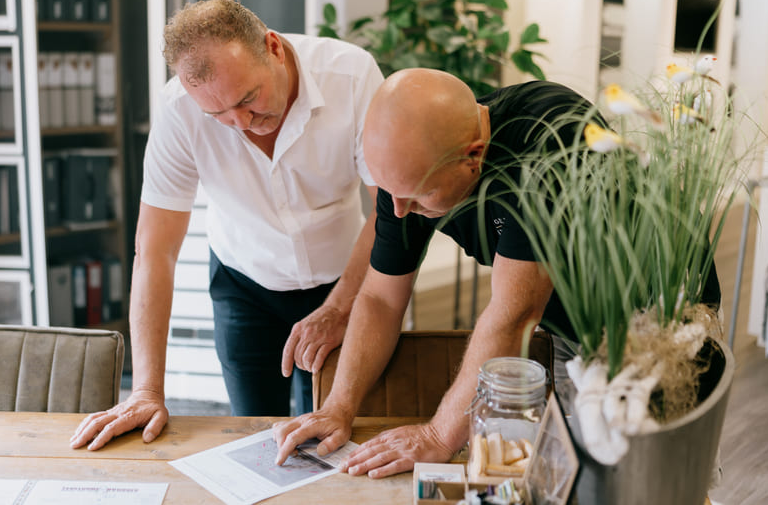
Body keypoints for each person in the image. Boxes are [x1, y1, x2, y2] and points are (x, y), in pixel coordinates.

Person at [272, 68, 719, 477]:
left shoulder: (550, 139)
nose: (399, 211)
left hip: (662, 323)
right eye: (390, 193)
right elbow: (380, 299)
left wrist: (437, 436)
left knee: (649, 476)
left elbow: (514, 314)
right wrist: (338, 407)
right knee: (574, 469)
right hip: (571, 322)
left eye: (417, 196)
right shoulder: (406, 172)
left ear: (473, 156)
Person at [70, 0, 384, 451]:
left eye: (248, 99)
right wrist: (146, 390)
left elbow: (390, 210)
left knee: (337, 433)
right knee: (257, 434)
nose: (241, 124)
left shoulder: (351, 77)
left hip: (342, 280)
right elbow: (155, 251)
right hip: (243, 283)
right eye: (218, 115)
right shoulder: (178, 109)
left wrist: (339, 308)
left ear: (273, 47)